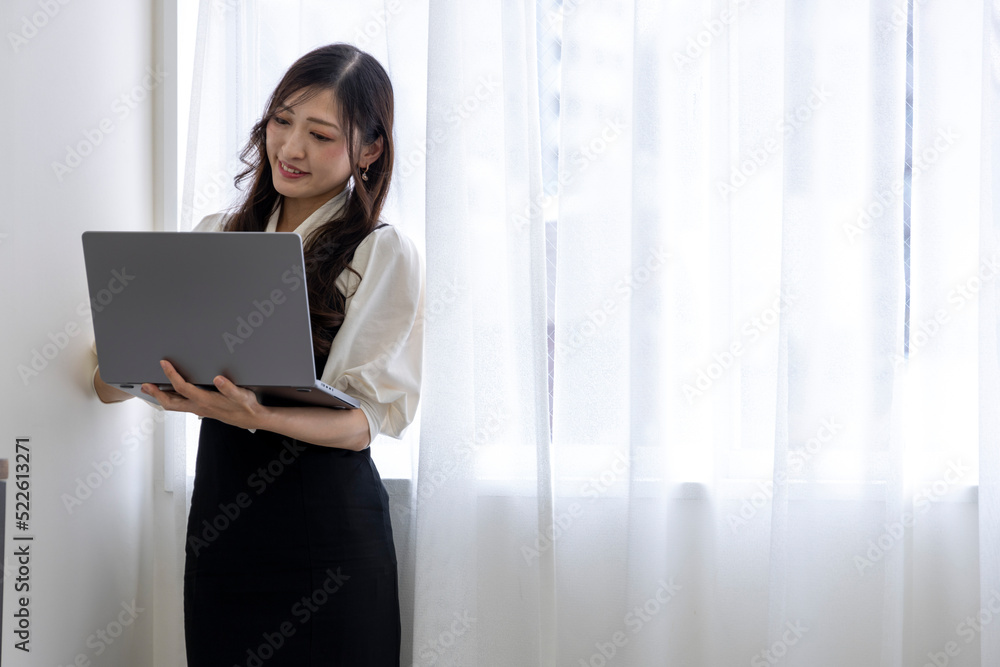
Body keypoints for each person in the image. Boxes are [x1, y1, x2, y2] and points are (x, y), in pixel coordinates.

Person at [93, 43, 423, 666]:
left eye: (321, 134)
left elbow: (362, 425)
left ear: (370, 149)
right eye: (281, 121)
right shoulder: (217, 237)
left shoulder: (382, 252)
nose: (291, 148)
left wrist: (252, 415)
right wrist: (141, 376)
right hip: (226, 523)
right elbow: (113, 379)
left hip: (329, 530)